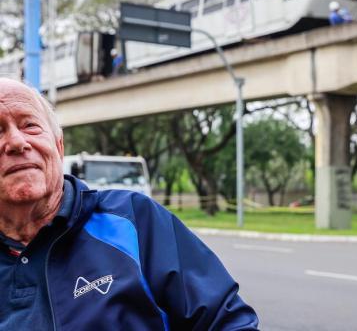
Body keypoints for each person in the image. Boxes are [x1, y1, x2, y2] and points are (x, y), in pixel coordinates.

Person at [0, 78, 259, 330]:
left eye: (30, 125)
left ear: (58, 146)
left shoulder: (134, 219)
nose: (17, 142)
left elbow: (228, 323)